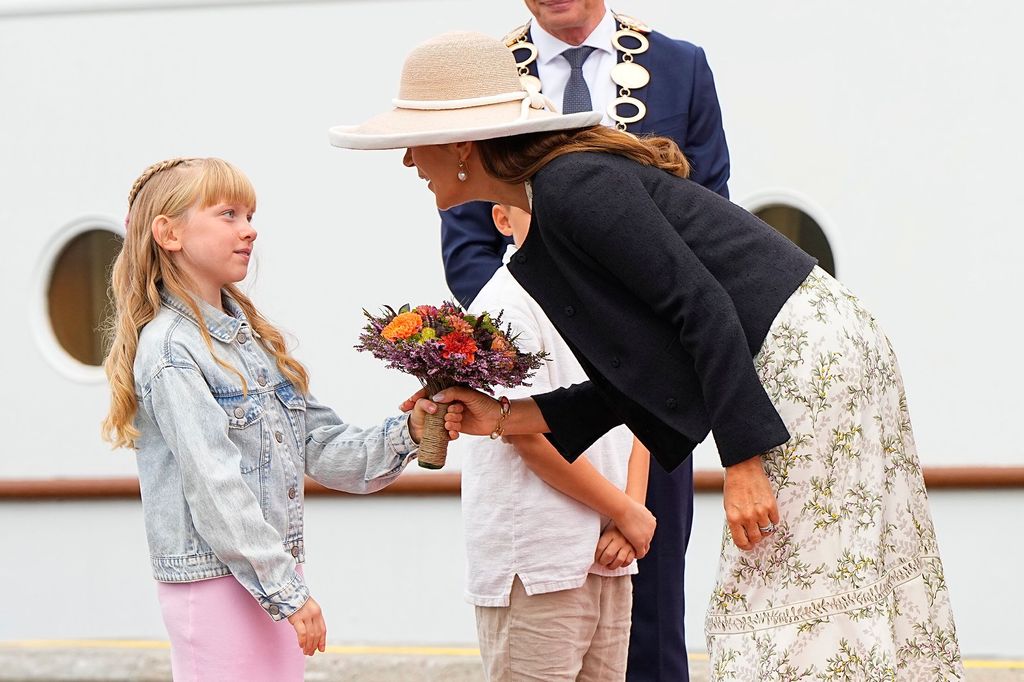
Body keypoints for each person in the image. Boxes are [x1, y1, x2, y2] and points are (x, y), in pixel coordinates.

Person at [329, 33, 964, 679]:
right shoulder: (549, 225)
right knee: (822, 573)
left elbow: (703, 307)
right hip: (809, 349)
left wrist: (742, 463)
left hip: (802, 353)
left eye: (413, 142)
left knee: (791, 580)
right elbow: (638, 372)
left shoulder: (572, 186)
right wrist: (503, 415)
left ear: (462, 146)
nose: (408, 160)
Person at [441, 6, 730, 677]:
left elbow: (706, 221)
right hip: (536, 378)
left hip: (649, 381)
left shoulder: (681, 67)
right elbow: (466, 250)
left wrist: (633, 343)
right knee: (549, 597)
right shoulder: (481, 77)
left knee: (651, 602)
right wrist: (562, 327)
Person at [100, 157, 446, 682]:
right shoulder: (171, 351)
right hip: (217, 584)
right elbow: (214, 484)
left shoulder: (252, 344)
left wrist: (410, 431)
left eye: (251, 214)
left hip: (267, 576)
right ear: (167, 233)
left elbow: (325, 448)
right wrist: (286, 590)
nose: (250, 229)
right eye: (229, 214)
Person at [463, 201, 653, 681]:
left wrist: (629, 514)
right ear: (503, 221)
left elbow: (642, 412)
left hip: (610, 553)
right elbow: (524, 436)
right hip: (537, 561)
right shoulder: (500, 305)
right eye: (533, 207)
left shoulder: (604, 301)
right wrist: (629, 513)